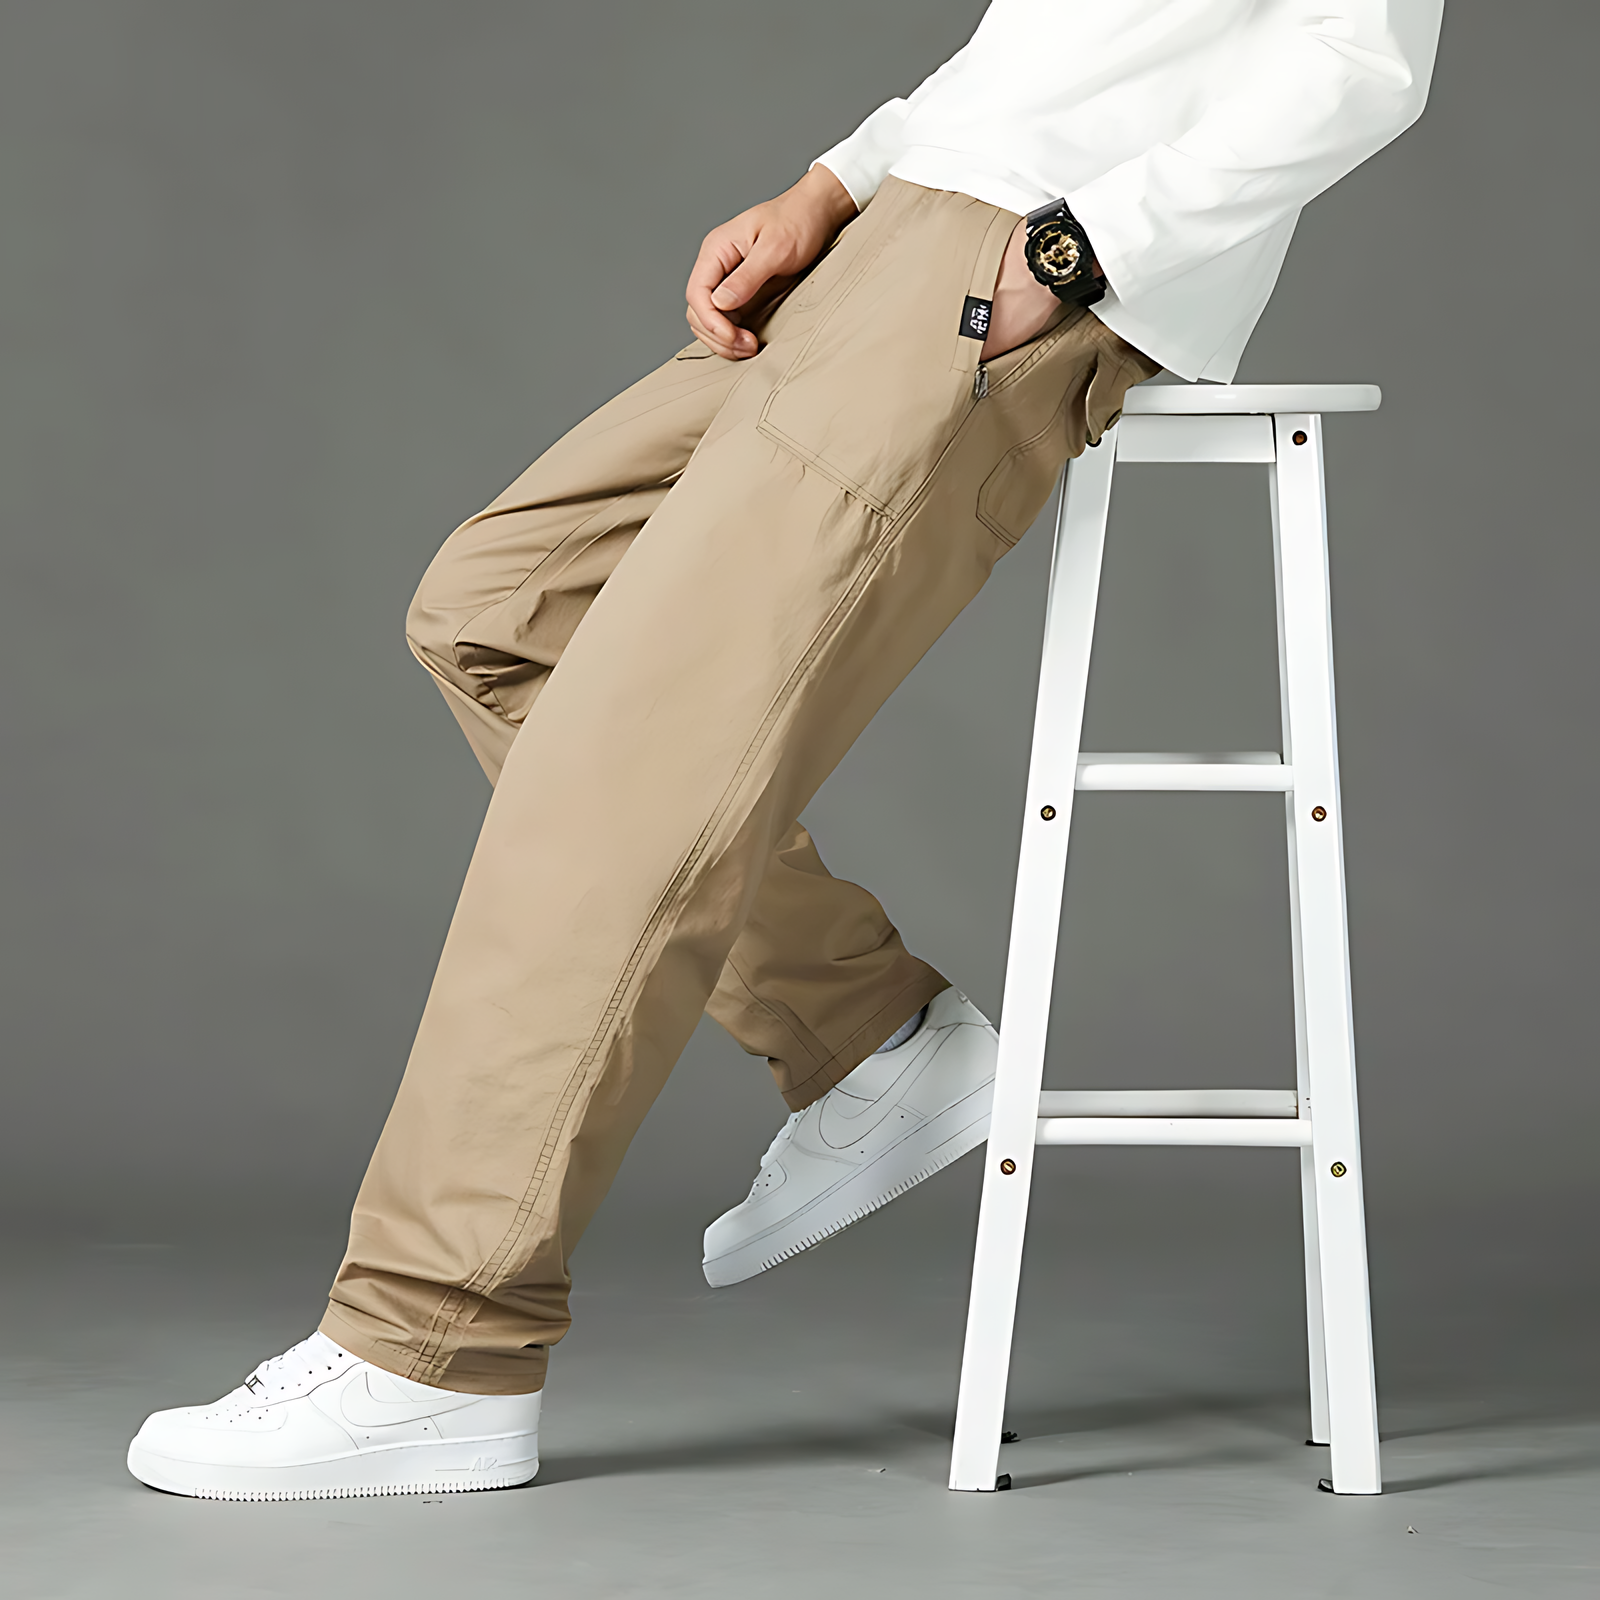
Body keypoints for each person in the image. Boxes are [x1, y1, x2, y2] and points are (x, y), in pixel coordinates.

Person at [127, 0, 1443, 1501]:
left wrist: (1078, 254)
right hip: (900, 239)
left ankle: (433, 1347)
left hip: (1002, 270)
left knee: (629, 765)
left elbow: (1364, 60)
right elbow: (1049, 44)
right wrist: (839, 183)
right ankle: (868, 1034)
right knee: (498, 611)